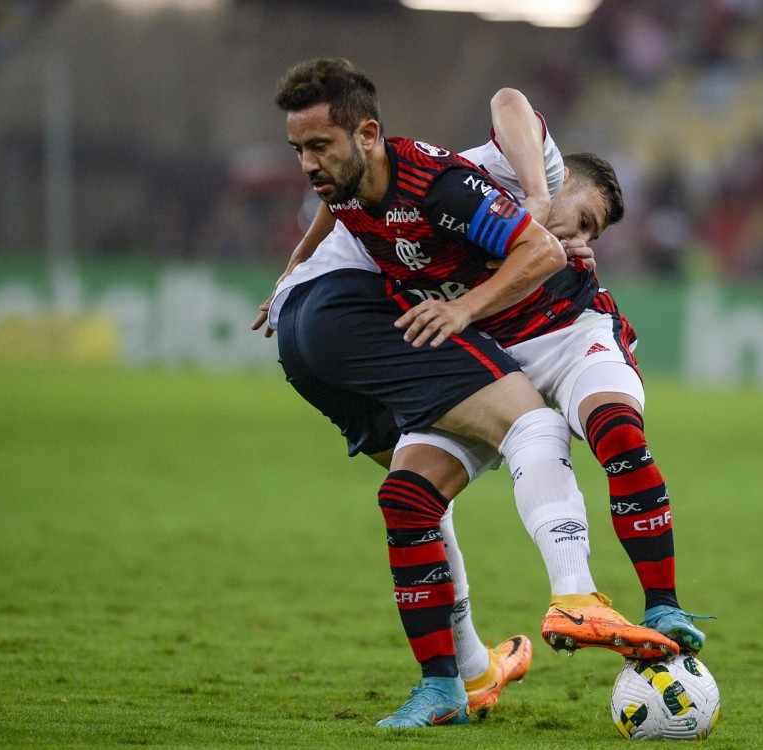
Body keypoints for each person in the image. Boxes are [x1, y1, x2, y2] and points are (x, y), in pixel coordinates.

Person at [261, 85, 707, 714]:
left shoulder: (466, 209)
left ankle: (661, 603)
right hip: (488, 357)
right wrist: (294, 272)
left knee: (615, 430)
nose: (583, 239)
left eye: (595, 234)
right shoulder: (502, 173)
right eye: (584, 218)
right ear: (561, 175)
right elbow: (506, 101)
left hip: (573, 336)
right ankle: (447, 685)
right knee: (406, 497)